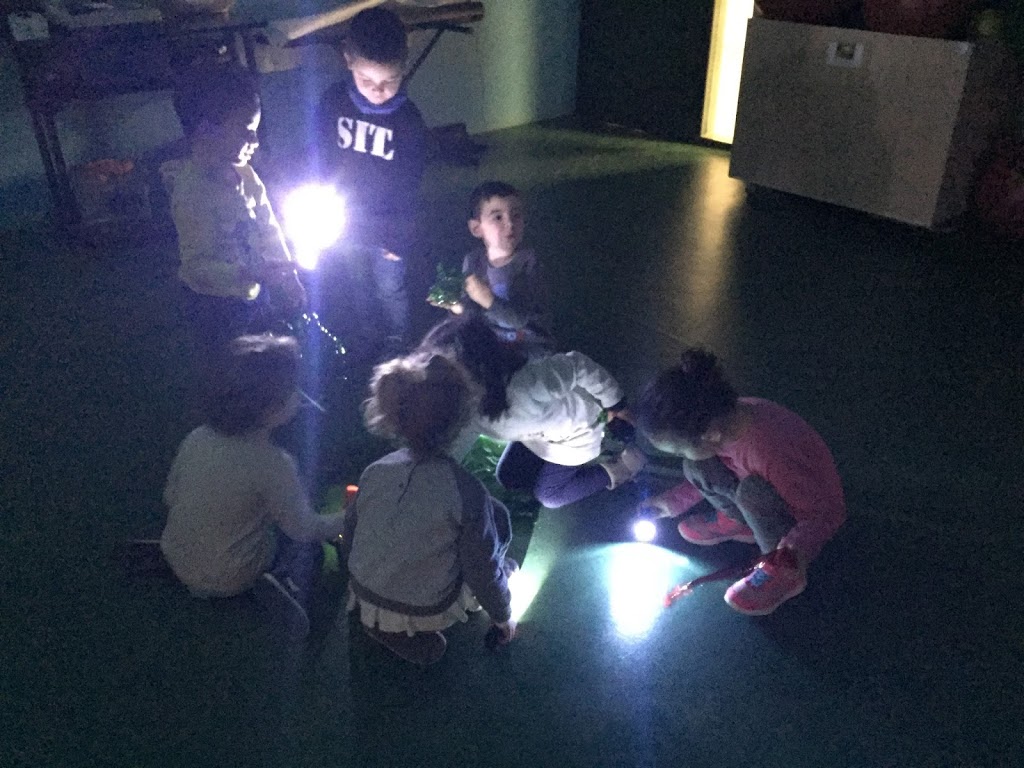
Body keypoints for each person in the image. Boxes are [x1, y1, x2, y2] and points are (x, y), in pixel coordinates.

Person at [633, 348, 846, 616]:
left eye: (679, 450)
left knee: (751, 493)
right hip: (763, 488)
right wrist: (671, 502)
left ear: (709, 434)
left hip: (799, 517)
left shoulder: (771, 450)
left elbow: (826, 514)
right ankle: (743, 523)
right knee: (696, 465)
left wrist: (794, 552)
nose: (679, 456)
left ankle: (781, 570)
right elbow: (719, 464)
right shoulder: (724, 417)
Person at [160, 335, 345, 638]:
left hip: (174, 556)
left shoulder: (197, 437)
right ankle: (279, 589)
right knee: (307, 549)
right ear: (270, 407)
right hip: (231, 579)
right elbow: (303, 529)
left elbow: (170, 496)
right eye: (293, 390)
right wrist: (349, 518)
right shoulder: (273, 462)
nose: (299, 396)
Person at [340, 353, 516, 665]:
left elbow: (351, 533)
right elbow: (481, 568)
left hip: (364, 590)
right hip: (422, 605)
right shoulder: (466, 490)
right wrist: (503, 616)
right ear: (461, 423)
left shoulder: (375, 470)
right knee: (495, 519)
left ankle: (379, 624)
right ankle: (408, 630)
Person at [420, 315, 646, 509]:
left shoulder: (526, 384)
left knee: (550, 497)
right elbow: (458, 440)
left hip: (578, 437)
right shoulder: (470, 404)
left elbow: (578, 366)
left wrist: (617, 405)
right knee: (507, 476)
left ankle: (623, 467)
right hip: (536, 436)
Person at [169, 64, 306, 376]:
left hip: (254, 292)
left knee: (259, 358)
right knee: (227, 369)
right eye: (246, 129)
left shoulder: (246, 175)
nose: (255, 140)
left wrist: (289, 277)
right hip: (215, 306)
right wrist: (250, 272)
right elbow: (197, 266)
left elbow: (268, 227)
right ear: (207, 130)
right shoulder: (192, 192)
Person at [310, 6, 428, 355]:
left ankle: (397, 339)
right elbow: (320, 156)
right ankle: (368, 332)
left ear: (403, 67)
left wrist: (401, 231)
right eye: (367, 80)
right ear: (348, 59)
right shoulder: (332, 104)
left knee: (390, 287)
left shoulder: (408, 121)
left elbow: (411, 181)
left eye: (389, 81)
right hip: (346, 221)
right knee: (358, 282)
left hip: (389, 227)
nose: (378, 91)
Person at [451, 181, 555, 356]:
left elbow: (519, 318)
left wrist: (487, 299)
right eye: (498, 217)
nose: (510, 224)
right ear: (477, 228)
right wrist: (454, 305)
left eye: (516, 215)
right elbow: (468, 311)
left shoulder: (529, 262)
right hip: (491, 349)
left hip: (530, 349)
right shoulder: (473, 261)